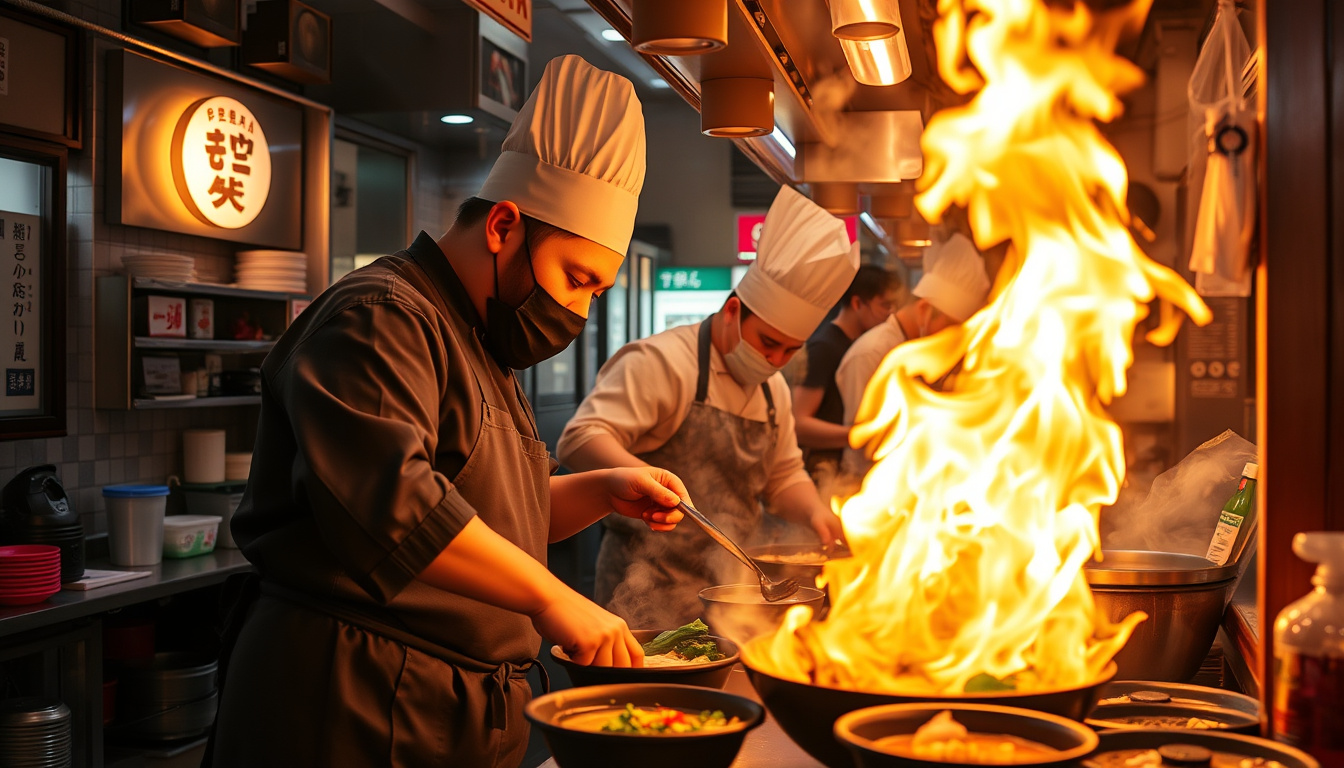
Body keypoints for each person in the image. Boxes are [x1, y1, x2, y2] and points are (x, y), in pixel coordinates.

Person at [209, 56, 690, 768]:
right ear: (503, 225)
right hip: (351, 699)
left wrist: (599, 492)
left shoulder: (482, 343)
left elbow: (491, 521)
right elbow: (399, 509)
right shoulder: (381, 316)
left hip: (446, 705)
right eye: (577, 279)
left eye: (596, 290)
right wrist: (554, 598)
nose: (580, 312)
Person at [556, 185, 857, 629]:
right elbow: (579, 439)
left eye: (790, 351)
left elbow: (784, 475)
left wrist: (815, 512)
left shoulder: (773, 392)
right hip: (644, 593)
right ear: (733, 311)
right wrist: (641, 480)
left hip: (734, 593)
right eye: (768, 343)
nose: (775, 361)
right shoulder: (662, 362)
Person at [836, 232, 991, 478]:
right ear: (925, 310)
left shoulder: (915, 349)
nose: (953, 339)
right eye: (951, 326)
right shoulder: (872, 352)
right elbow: (864, 442)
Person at [793, 265, 902, 476]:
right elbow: (799, 423)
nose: (891, 315)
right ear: (857, 303)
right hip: (824, 472)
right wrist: (859, 434)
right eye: (884, 306)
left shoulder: (861, 343)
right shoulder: (824, 347)